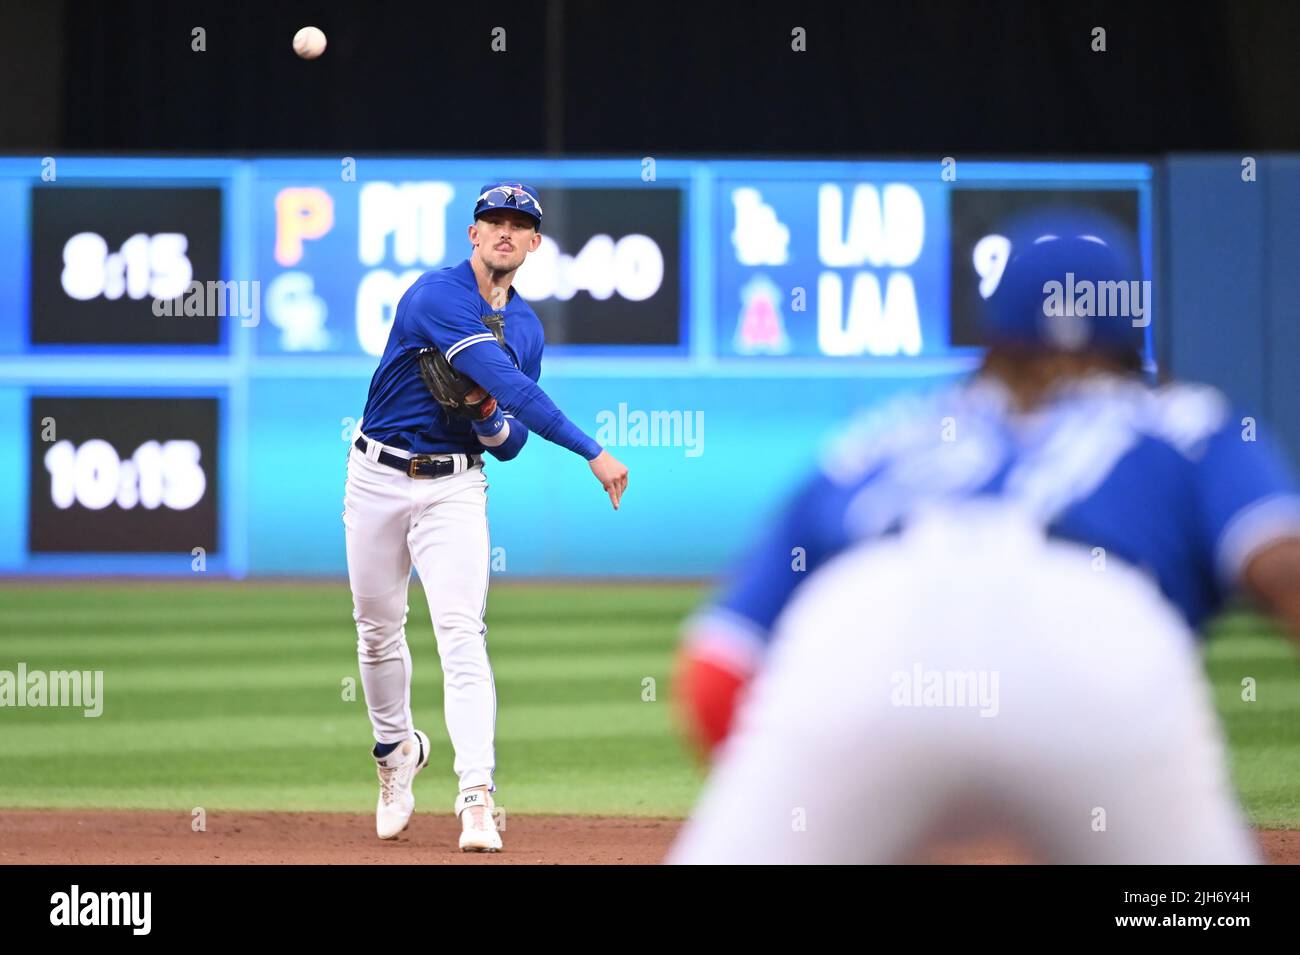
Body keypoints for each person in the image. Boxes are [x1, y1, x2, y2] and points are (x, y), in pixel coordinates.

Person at [669, 209, 1300, 863]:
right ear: (1131, 328)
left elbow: (717, 672)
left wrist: (826, 795)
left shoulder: (884, 438)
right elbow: (1283, 570)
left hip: (867, 627)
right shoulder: (1190, 420)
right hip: (1100, 635)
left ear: (993, 334)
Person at [344, 182, 628, 851]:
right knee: (376, 631)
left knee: (460, 632)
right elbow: (514, 388)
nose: (505, 231)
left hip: (453, 488)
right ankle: (395, 754)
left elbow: (509, 440)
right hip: (377, 474)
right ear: (472, 234)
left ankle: (477, 796)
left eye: (519, 224)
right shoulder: (435, 294)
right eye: (493, 220)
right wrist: (593, 449)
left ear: (534, 243)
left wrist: (483, 416)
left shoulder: (525, 328)